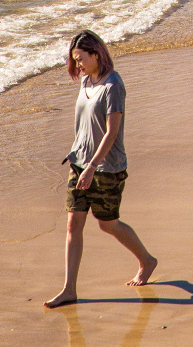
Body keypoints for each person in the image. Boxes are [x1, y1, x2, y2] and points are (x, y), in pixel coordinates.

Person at [44, 31, 156, 308]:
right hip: (79, 163)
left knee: (108, 224)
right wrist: (83, 163)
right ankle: (69, 289)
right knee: (73, 224)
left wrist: (93, 166)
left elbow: (111, 133)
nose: (78, 65)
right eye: (75, 60)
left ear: (96, 54)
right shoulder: (86, 81)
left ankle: (146, 260)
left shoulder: (113, 85)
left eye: (81, 59)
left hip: (106, 167)